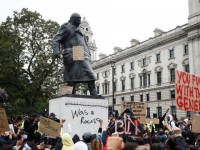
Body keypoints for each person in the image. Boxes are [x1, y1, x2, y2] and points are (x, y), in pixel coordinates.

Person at [52, 13, 97, 96]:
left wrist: (88, 53)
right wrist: (56, 51)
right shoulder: (66, 26)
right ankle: (71, 93)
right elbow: (56, 39)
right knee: (71, 75)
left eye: (80, 18)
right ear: (72, 18)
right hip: (71, 52)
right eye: (77, 18)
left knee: (89, 73)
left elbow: (85, 42)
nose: (79, 20)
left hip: (81, 53)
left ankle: (93, 92)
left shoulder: (80, 29)